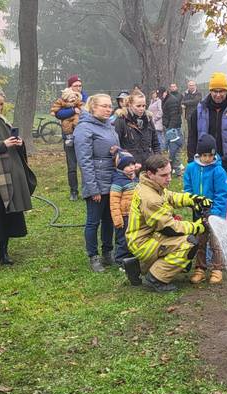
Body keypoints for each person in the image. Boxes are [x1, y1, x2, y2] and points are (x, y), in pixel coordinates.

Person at [124, 154, 208, 292]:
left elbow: (170, 196)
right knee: (189, 243)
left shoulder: (150, 185)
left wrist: (193, 199)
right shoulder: (150, 198)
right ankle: (155, 279)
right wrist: (197, 227)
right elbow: (170, 228)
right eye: (164, 175)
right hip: (143, 242)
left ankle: (138, 266)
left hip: (146, 236)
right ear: (150, 174)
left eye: (169, 173)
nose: (169, 178)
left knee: (179, 242)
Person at [0, 87, 36, 273]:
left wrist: (18, 143)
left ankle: (3, 252)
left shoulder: (3, 123)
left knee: (8, 214)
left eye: (1, 104)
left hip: (9, 176)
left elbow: (11, 146)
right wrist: (0, 145)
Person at [74, 94, 119, 273]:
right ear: (93, 107)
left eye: (110, 106)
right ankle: (93, 256)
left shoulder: (109, 126)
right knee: (93, 221)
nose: (108, 109)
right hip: (96, 182)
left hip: (112, 180)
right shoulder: (84, 129)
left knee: (110, 219)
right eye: (104, 106)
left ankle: (108, 252)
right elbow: (84, 161)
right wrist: (93, 188)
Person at [183, 134, 227, 284]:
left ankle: (217, 269)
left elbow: (221, 195)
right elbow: (187, 188)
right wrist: (194, 204)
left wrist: (213, 212)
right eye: (204, 155)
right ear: (198, 154)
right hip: (198, 214)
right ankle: (200, 269)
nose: (208, 158)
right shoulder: (191, 168)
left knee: (216, 243)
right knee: (200, 242)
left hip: (215, 214)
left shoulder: (218, 171)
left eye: (211, 155)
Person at [187, 72, 227, 161]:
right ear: (210, 91)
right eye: (215, 91)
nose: (218, 95)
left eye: (221, 91)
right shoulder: (199, 111)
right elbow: (192, 138)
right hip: (205, 161)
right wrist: (191, 161)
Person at [52, 75, 88, 201]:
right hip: (69, 136)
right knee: (72, 166)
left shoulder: (85, 97)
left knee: (85, 165)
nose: (78, 88)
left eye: (79, 85)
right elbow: (58, 113)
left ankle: (86, 190)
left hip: (84, 136)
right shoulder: (64, 97)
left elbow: (88, 111)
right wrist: (73, 110)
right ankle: (73, 191)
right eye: (75, 85)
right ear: (70, 87)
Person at [114, 90, 160, 167]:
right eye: (138, 106)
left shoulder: (148, 119)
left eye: (144, 106)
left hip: (148, 164)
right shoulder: (121, 120)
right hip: (130, 165)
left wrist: (157, 161)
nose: (141, 109)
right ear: (130, 105)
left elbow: (155, 143)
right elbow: (116, 146)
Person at [109, 149, 140, 266]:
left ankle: (132, 258)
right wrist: (117, 220)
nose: (131, 167)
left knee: (134, 237)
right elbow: (114, 203)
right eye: (128, 165)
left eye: (132, 164)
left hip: (135, 214)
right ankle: (120, 261)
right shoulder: (118, 182)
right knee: (123, 240)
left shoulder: (135, 179)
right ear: (121, 167)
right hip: (124, 216)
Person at [161, 86, 184, 176]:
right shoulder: (167, 99)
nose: (160, 97)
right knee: (171, 150)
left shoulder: (171, 101)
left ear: (165, 92)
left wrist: (170, 129)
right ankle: (170, 170)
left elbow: (174, 116)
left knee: (174, 150)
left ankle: (177, 171)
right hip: (169, 127)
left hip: (173, 129)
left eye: (161, 94)